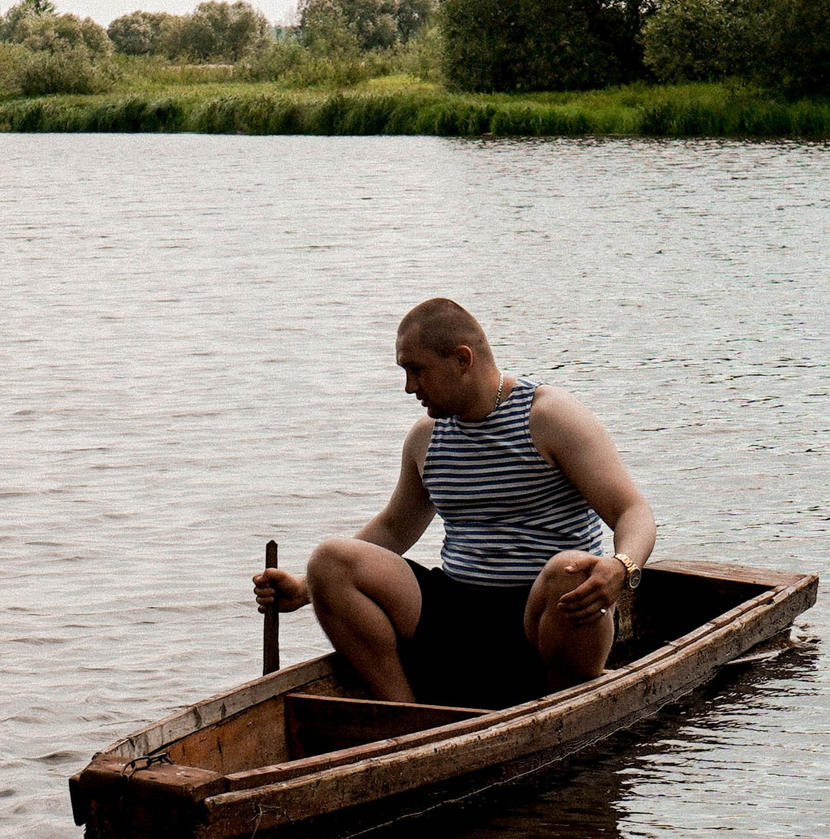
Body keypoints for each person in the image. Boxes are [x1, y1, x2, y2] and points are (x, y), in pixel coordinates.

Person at [252, 298, 656, 707]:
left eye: (417, 370)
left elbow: (632, 511)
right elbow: (394, 529)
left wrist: (622, 567)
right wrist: (305, 588)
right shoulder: (426, 437)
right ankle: (405, 715)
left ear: (463, 360)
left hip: (542, 615)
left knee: (572, 571)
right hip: (457, 613)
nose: (409, 387)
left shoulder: (549, 417)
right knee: (329, 560)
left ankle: (559, 709)